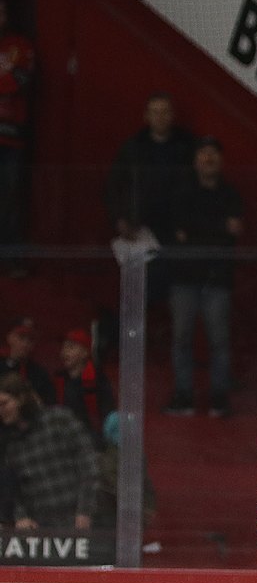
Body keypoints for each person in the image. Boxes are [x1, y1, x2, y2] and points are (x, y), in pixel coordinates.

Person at [166, 136, 243, 417]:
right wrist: (216, 228)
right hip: (185, 278)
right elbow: (178, 232)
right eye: (203, 153)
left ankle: (218, 397)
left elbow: (232, 230)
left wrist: (197, 230)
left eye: (213, 154)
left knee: (219, 341)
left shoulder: (230, 194)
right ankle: (183, 394)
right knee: (182, 338)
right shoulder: (182, 192)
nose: (208, 159)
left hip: (217, 278)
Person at [104, 92, 195, 284]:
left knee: (177, 282)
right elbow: (114, 185)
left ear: (172, 115)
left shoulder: (187, 148)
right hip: (140, 226)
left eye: (165, 112)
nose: (160, 117)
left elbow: (195, 187)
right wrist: (120, 218)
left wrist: (188, 223)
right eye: (155, 112)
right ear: (146, 116)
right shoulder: (133, 148)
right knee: (139, 285)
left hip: (175, 228)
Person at [0, 373, 98, 531]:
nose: (1, 410)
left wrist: (85, 511)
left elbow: (89, 466)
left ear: (21, 399)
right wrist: (21, 516)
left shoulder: (60, 419)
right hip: (41, 529)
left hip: (79, 520)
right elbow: (14, 490)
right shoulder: (11, 444)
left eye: (4, 403)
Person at [0, 0, 35, 273]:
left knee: (10, 198)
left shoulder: (19, 46)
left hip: (11, 139)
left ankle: (10, 259)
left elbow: (18, 81)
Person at [54, 328, 115, 447]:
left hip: (92, 440)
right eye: (64, 347)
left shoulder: (98, 381)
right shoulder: (58, 379)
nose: (65, 352)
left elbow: (107, 415)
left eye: (71, 347)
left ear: (85, 352)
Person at [2, 316, 55, 403]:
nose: (25, 343)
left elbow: (49, 406)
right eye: (21, 338)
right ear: (10, 337)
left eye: (30, 340)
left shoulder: (40, 374)